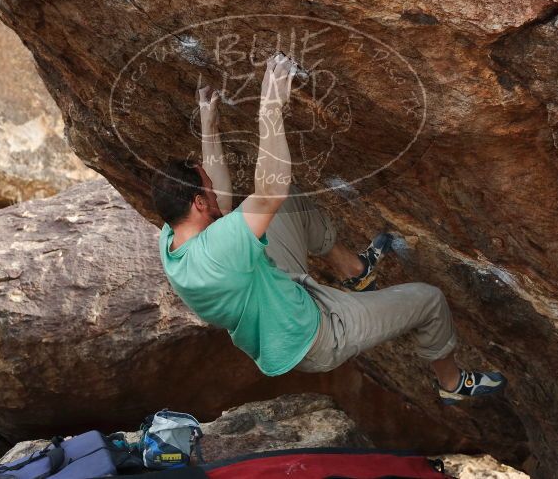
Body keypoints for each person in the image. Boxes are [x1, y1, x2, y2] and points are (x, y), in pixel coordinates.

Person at [153, 53, 506, 405]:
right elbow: (266, 192)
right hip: (316, 335)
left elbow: (225, 201)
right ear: (198, 204)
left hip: (277, 299)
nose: (215, 191)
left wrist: (209, 122)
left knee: (286, 201)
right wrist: (271, 108)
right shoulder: (219, 249)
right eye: (208, 191)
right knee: (430, 300)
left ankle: (353, 268)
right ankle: (451, 382)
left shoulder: (173, 238)